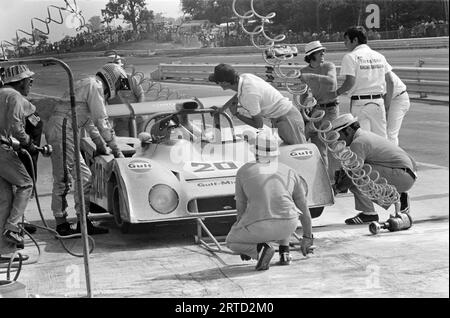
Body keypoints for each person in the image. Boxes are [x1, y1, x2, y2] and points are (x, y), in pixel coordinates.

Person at [44, 65, 125, 236]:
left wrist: (100, 144)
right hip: (63, 129)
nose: (117, 89)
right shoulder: (95, 87)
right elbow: (101, 121)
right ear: (112, 79)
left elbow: (89, 120)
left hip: (64, 128)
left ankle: (83, 221)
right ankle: (62, 223)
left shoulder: (88, 83)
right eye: (118, 84)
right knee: (63, 178)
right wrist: (116, 150)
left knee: (83, 176)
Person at [226, 131, 314, 270]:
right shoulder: (290, 170)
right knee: (283, 206)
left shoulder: (243, 171)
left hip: (260, 226)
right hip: (289, 226)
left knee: (231, 241)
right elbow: (304, 209)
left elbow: (240, 209)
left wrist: (247, 247)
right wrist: (308, 237)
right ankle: (284, 253)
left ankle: (261, 251)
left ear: (255, 153)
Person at [331, 113, 417, 224]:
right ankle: (397, 196)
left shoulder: (358, 142)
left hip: (403, 175)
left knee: (356, 176)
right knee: (353, 174)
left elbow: (354, 173)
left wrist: (336, 189)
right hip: (406, 174)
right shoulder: (363, 136)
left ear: (348, 131)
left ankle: (369, 213)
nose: (338, 139)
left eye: (338, 135)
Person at [208, 63, 306, 145]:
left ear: (224, 83)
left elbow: (259, 124)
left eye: (217, 81)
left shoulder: (249, 95)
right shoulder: (245, 77)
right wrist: (223, 108)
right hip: (285, 117)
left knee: (299, 154)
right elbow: (238, 94)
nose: (217, 83)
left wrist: (237, 114)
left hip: (287, 121)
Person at [0, 65, 37, 259]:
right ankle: (13, 227)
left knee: (5, 197)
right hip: (2, 149)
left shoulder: (1, 93)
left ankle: (4, 251)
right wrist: (28, 142)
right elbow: (15, 124)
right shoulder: (13, 96)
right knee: (26, 183)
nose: (30, 84)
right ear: (21, 81)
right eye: (29, 81)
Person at [332, 26, 394, 139]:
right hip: (378, 102)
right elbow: (390, 82)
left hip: (360, 103)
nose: (344, 43)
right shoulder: (379, 56)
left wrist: (336, 93)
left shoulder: (350, 57)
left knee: (363, 141)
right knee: (382, 140)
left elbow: (350, 82)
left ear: (354, 40)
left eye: (346, 40)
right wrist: (387, 105)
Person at [299, 40, 339, 173]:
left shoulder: (329, 66)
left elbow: (331, 81)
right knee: (319, 148)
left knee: (333, 146)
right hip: (316, 112)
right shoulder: (303, 71)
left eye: (323, 51)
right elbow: (303, 94)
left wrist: (311, 76)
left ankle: (336, 179)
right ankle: (325, 181)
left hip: (331, 110)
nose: (323, 53)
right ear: (311, 55)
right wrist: (303, 113)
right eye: (320, 52)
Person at [100, 62, 146, 137]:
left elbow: (141, 94)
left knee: (140, 143)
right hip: (121, 122)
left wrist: (138, 110)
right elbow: (102, 103)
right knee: (125, 144)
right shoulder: (104, 84)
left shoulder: (130, 78)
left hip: (138, 119)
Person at [384, 71, 410, 146]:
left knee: (391, 133)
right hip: (394, 97)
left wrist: (386, 109)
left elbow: (390, 85)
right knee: (385, 131)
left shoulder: (381, 69)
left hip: (398, 99)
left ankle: (392, 155)